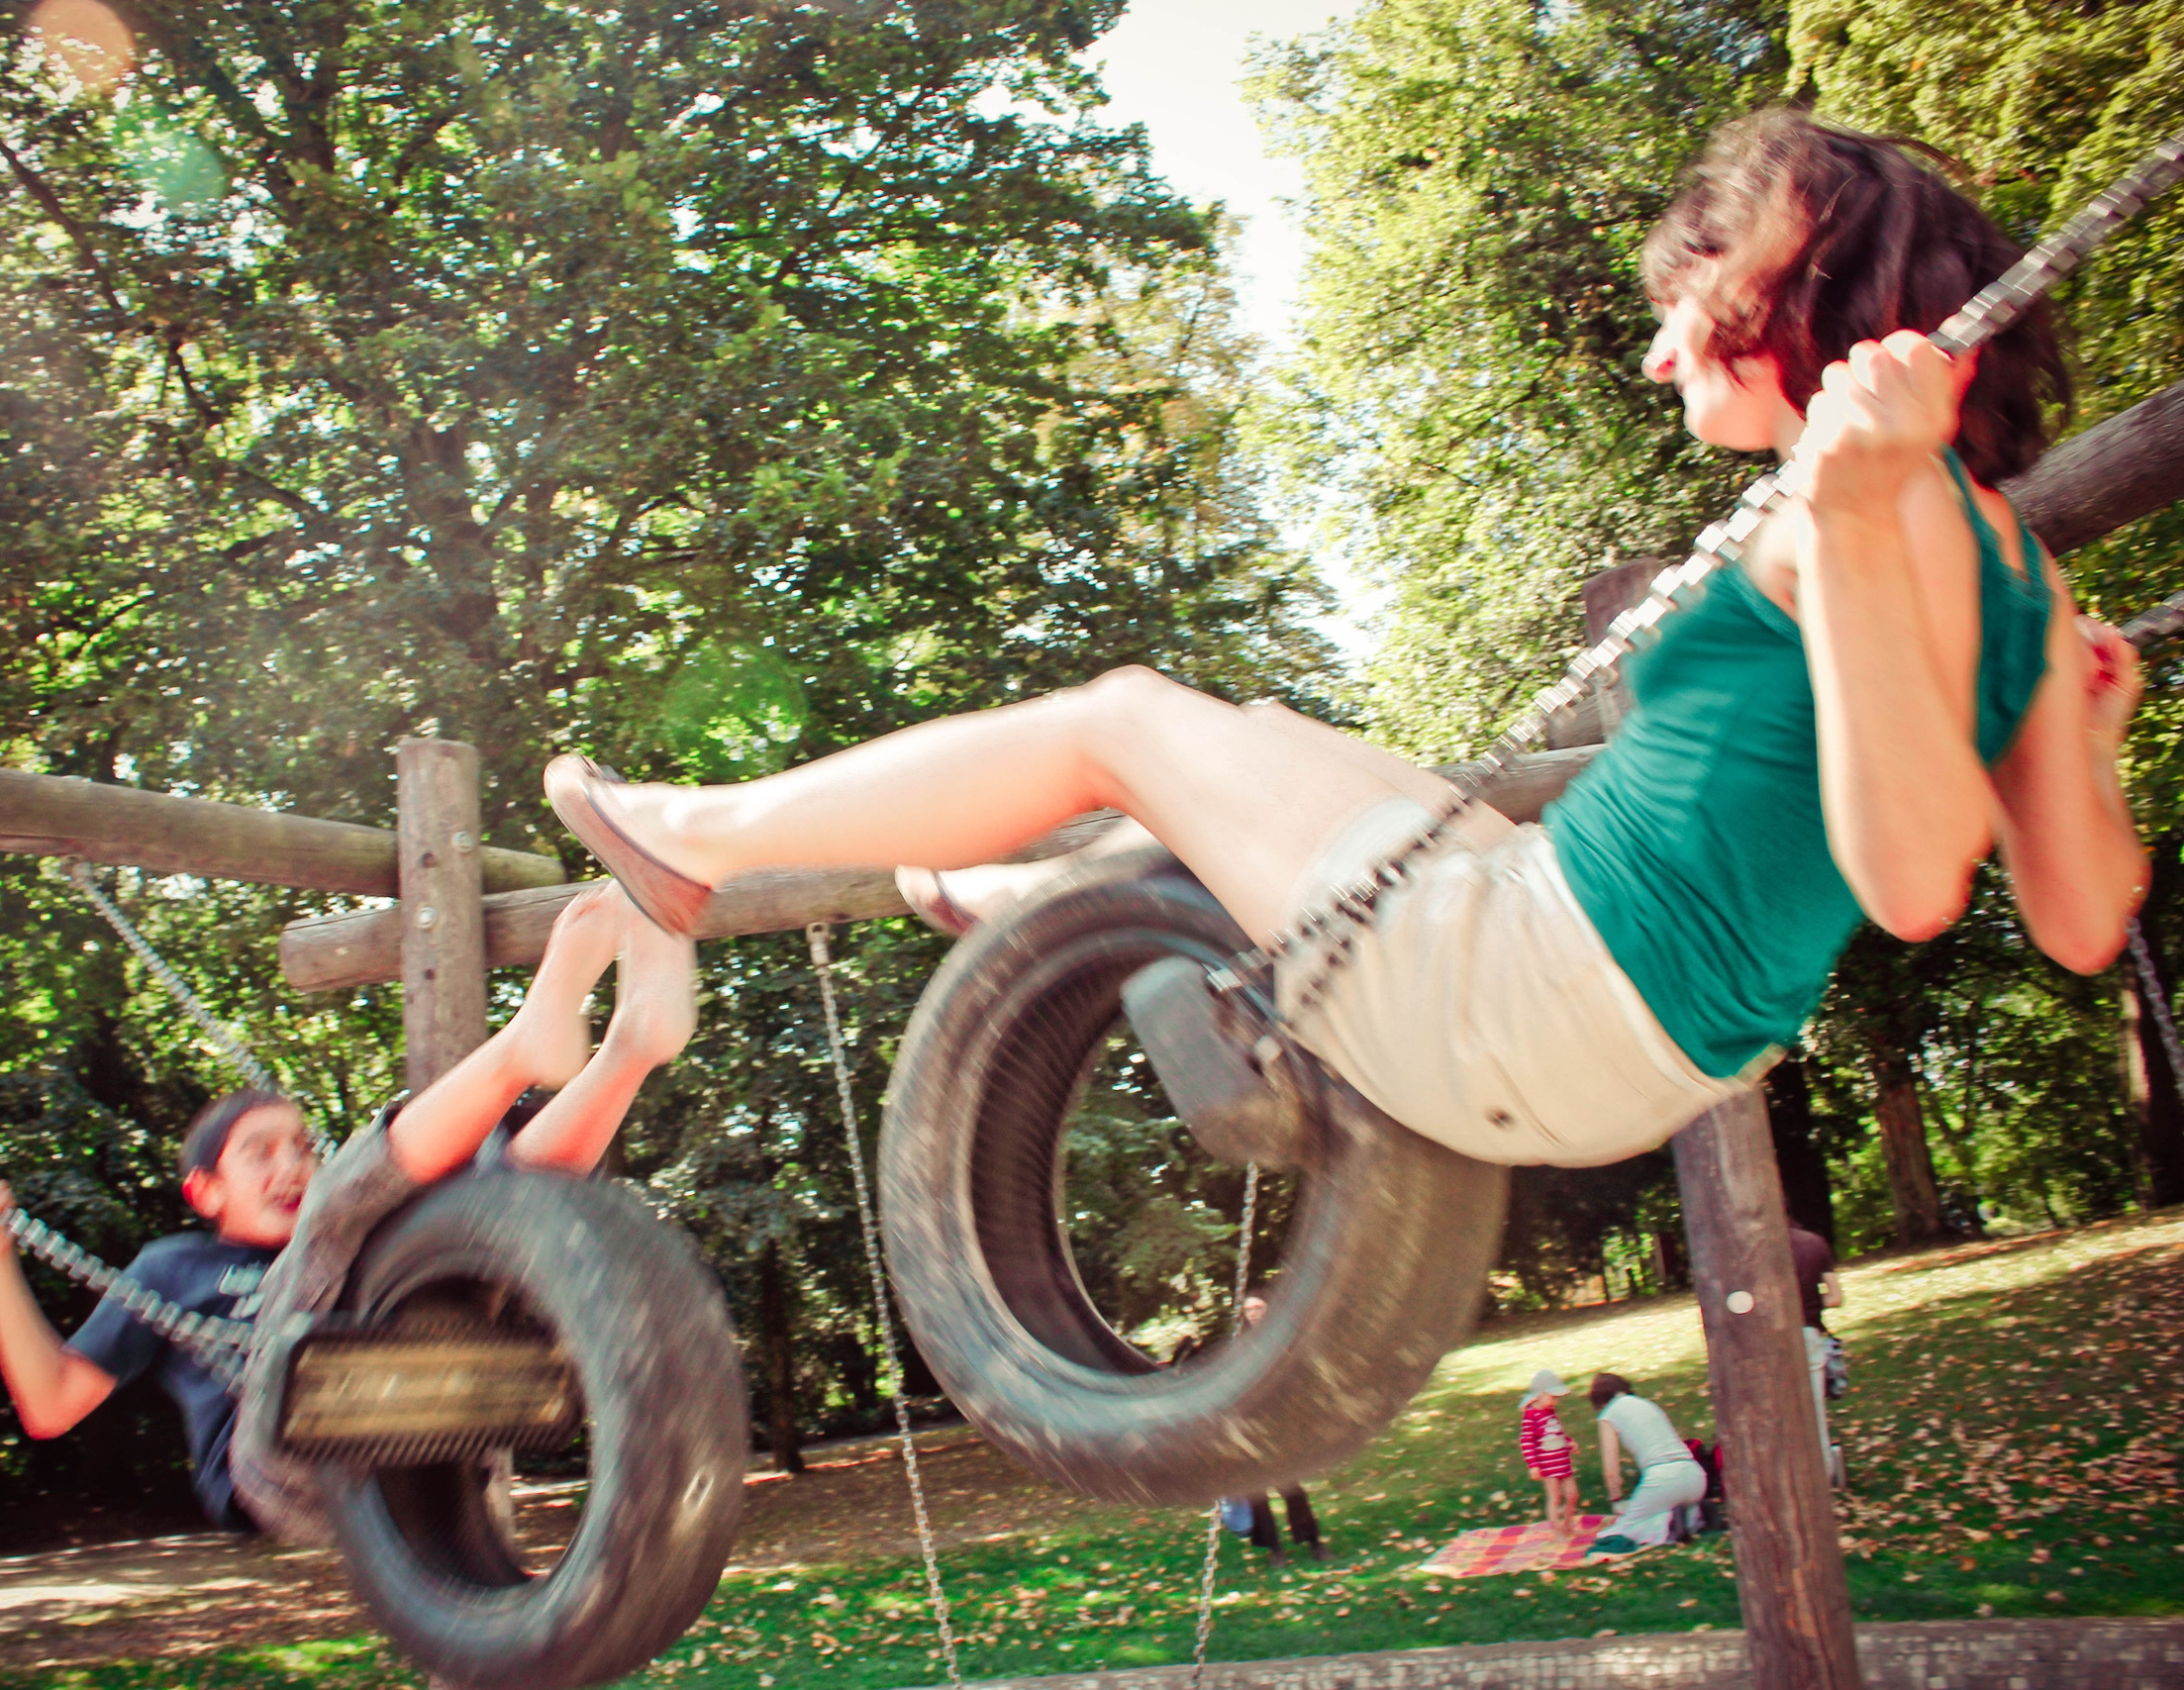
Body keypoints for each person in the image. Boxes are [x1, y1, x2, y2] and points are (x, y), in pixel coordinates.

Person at [540, 106, 2142, 1177]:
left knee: (1128, 719)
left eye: (1688, 291)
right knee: (1275, 748)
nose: (1662, 352)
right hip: (1623, 1033)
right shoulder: (2017, 577)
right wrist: (2086, 741)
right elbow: (2079, 920)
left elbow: (1920, 876)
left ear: (1808, 259)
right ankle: (1027, 888)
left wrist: (1855, 516)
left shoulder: (1870, 503)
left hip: (1542, 992)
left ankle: (696, 838)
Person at [0, 882, 695, 1530]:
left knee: (484, 1203)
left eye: (301, 1146)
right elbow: (50, 1406)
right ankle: (521, 1046)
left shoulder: (355, 1235)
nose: (292, 1164)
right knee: (340, 1207)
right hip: (283, 1467)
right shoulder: (175, 1266)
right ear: (203, 1190)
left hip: (433, 1425)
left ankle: (631, 1048)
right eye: (260, 1151)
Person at [1223, 1294, 1327, 1565]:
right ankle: (1275, 1550)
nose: (1254, 1313)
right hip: (1249, 1427)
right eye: (1249, 1309)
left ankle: (1313, 1541)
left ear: (1268, 1310)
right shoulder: (1239, 1345)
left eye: (1259, 1307)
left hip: (1277, 1427)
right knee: (1257, 1493)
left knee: (1292, 1488)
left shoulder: (1282, 1339)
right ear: (1243, 1314)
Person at [1587, 1372, 1706, 1556]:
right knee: (1657, 1508)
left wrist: (1616, 1500)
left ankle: (1670, 1523)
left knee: (1620, 1530)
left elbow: (1611, 1470)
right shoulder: (1648, 1404)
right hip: (1694, 1475)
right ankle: (1693, 1516)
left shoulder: (1608, 1415)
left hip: (1662, 1479)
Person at [1788, 1216, 1844, 1478]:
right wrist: (1809, 1300)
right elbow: (1835, 1297)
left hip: (1770, 1340)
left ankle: (1793, 1473)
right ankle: (1825, 1474)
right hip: (1809, 1331)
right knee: (1814, 1412)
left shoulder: (1754, 1247)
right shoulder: (1814, 1243)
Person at [1518, 1368, 1581, 1535]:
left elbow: (1556, 1433)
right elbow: (1527, 1441)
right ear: (1540, 1395)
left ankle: (1568, 1524)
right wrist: (1533, 1465)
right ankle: (1557, 1530)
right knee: (1555, 1497)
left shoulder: (1550, 1412)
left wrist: (1568, 1443)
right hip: (1548, 1467)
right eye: (1552, 1397)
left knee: (1572, 1494)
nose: (1555, 1402)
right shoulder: (1531, 1416)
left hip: (1563, 1462)